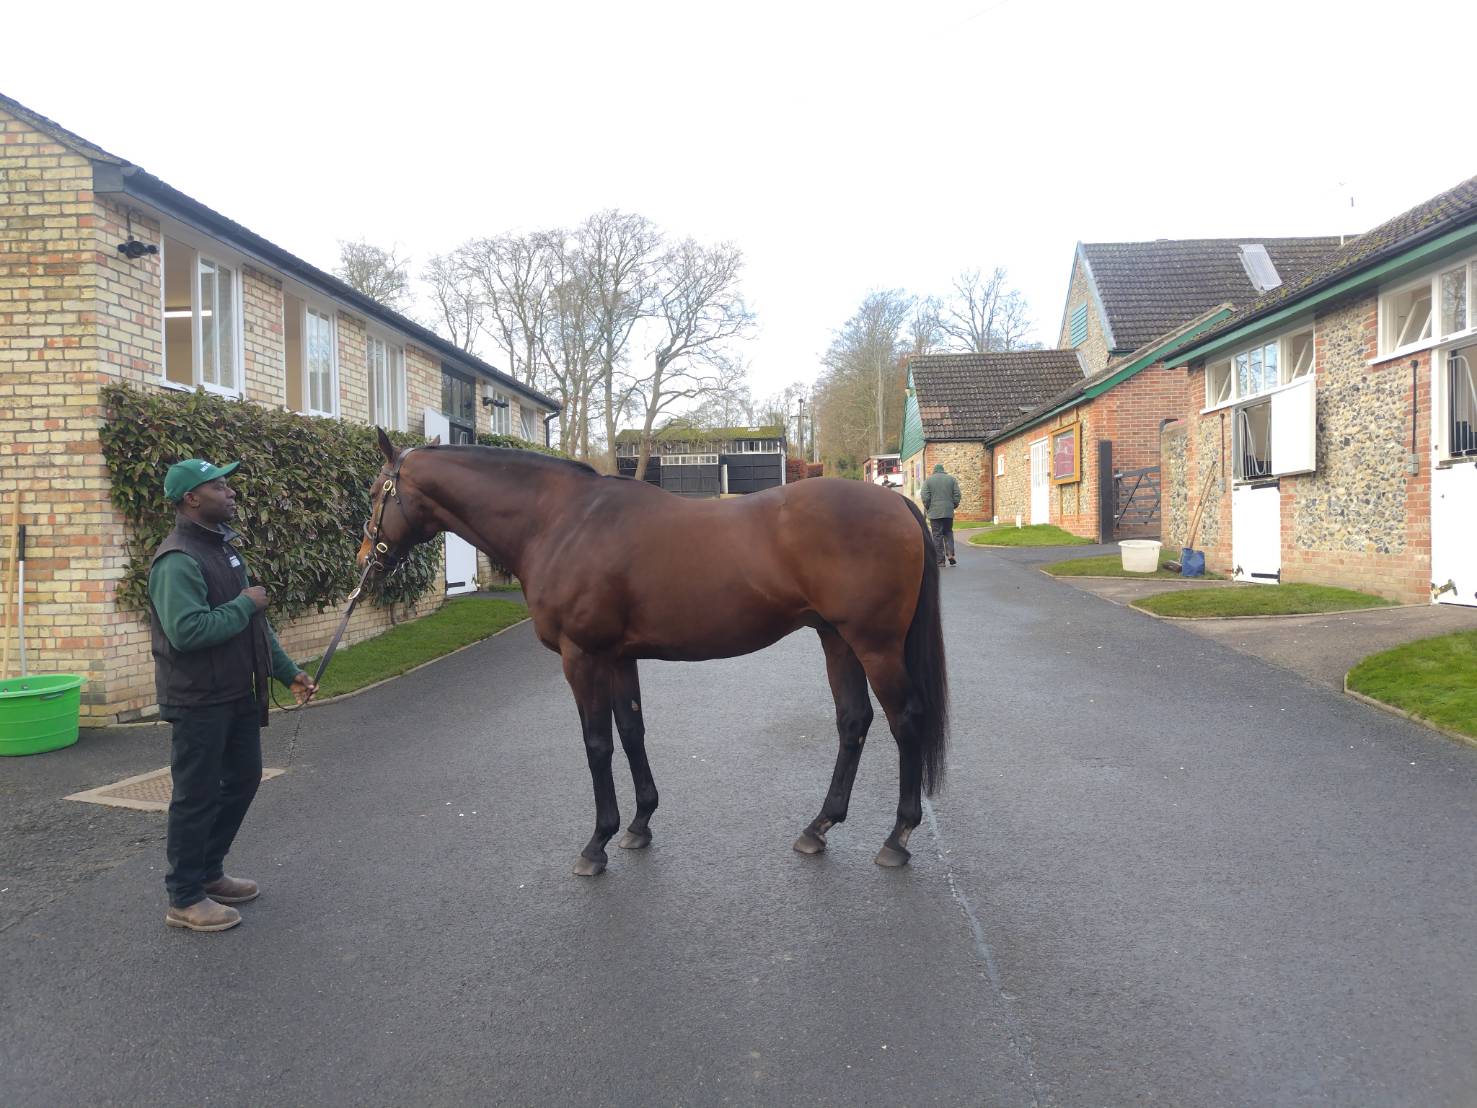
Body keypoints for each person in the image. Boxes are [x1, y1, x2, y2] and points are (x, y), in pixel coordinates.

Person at [148, 459, 316, 933]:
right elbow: (187, 631)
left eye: (228, 484)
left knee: (244, 778)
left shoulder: (223, 550)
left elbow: (254, 627)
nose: (231, 492)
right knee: (196, 795)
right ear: (191, 499)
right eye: (218, 485)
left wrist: (288, 674)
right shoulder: (177, 559)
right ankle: (184, 897)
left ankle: (209, 872)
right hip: (198, 698)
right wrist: (246, 603)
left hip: (235, 692)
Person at [920, 462, 961, 566]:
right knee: (948, 532)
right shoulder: (951, 479)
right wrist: (953, 505)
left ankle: (940, 561)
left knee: (937, 536)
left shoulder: (928, 481)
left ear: (934, 470)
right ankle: (950, 554)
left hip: (934, 513)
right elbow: (957, 494)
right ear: (943, 470)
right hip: (948, 511)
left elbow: (925, 496)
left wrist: (928, 506)